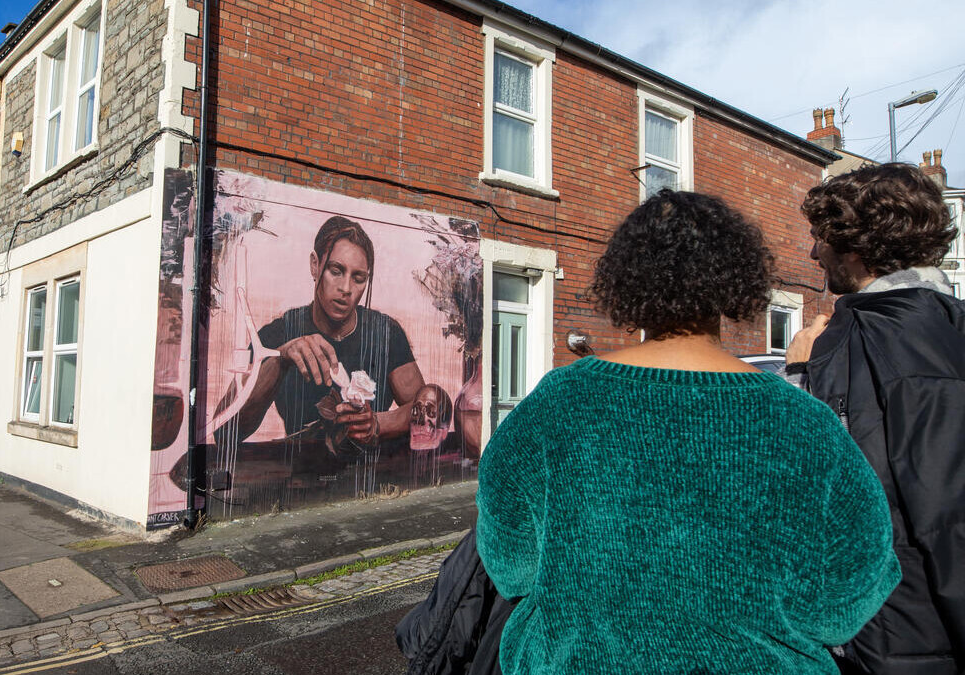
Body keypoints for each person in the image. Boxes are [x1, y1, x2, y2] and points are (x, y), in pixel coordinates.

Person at [475, 189, 900, 674]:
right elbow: (850, 589)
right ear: (734, 280)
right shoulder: (804, 420)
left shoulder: (556, 401)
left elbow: (512, 562)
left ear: (626, 279)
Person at [785, 163, 965, 675]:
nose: (813, 252)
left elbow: (804, 486)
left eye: (820, 238)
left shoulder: (853, 340)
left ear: (855, 248)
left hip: (889, 636)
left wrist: (799, 372)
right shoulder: (953, 325)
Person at [220, 215, 426, 448]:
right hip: (299, 476)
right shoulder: (278, 334)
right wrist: (280, 359)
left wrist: (378, 424)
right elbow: (225, 430)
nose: (346, 289)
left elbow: (426, 407)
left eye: (358, 278)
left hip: (371, 478)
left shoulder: (386, 333)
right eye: (336, 271)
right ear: (315, 265)